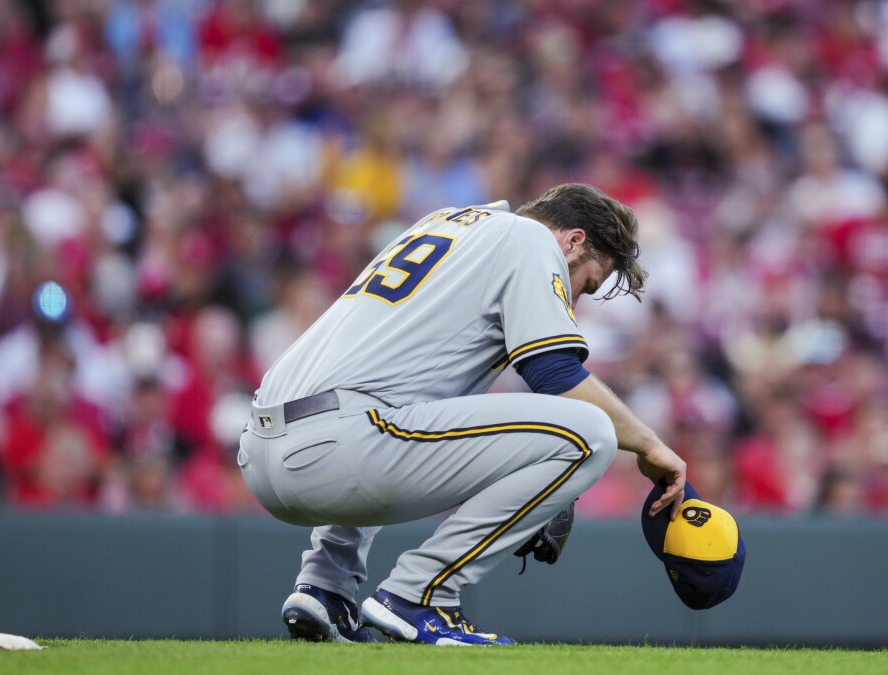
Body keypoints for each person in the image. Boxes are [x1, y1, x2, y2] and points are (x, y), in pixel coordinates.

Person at [238, 184, 687, 645]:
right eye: (587, 282)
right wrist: (650, 444)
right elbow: (553, 373)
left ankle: (326, 587)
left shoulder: (448, 223)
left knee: (402, 404)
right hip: (338, 447)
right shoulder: (531, 240)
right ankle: (419, 595)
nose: (575, 300)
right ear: (572, 241)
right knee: (591, 434)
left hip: (264, 449)